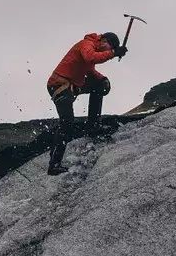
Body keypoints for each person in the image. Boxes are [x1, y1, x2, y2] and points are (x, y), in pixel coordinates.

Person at [45, 32, 127, 175]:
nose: (108, 50)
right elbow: (90, 58)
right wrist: (113, 53)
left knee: (100, 85)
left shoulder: (93, 47)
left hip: (72, 86)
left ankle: (93, 126)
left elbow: (90, 69)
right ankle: (54, 165)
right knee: (67, 123)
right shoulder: (86, 44)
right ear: (103, 40)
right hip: (59, 85)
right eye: (109, 47)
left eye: (110, 49)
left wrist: (103, 79)